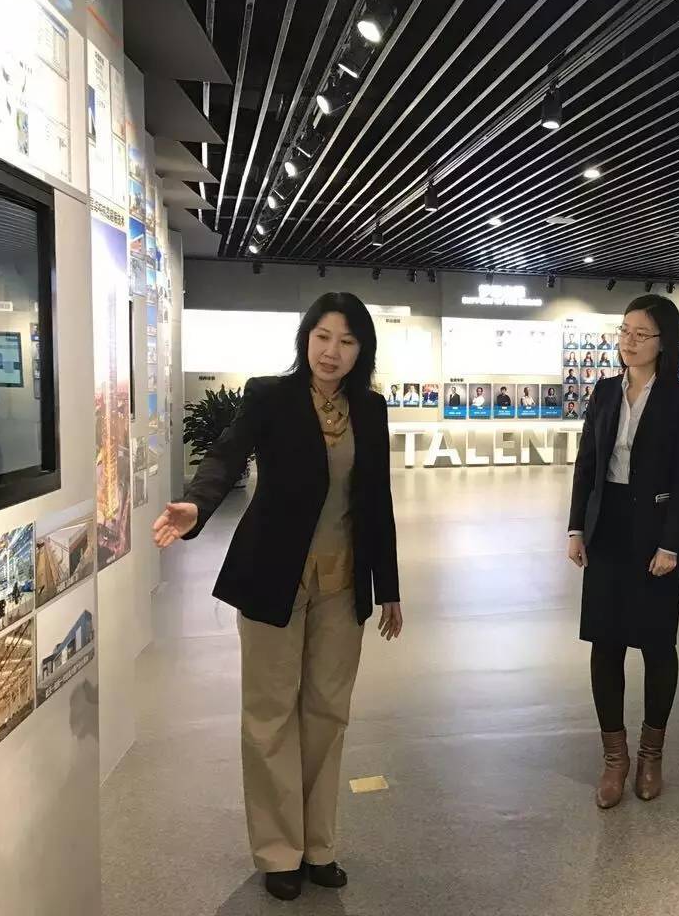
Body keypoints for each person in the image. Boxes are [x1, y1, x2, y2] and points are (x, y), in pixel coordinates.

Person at [151, 292, 403, 902]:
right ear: (305, 339)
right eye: (323, 337)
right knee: (270, 714)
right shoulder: (269, 395)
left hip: (343, 581)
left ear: (362, 350)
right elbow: (226, 454)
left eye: (346, 341)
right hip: (272, 576)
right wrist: (198, 505)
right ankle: (278, 851)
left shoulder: (370, 409)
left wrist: (389, 587)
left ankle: (319, 845)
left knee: (328, 712)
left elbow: (377, 500)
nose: (331, 351)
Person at [567, 295, 679, 810]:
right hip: (607, 527)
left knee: (656, 643)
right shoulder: (604, 392)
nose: (629, 341)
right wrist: (576, 527)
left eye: (641, 334)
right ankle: (614, 758)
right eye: (624, 331)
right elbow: (587, 463)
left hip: (655, 530)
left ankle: (651, 755)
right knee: (604, 642)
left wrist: (671, 542)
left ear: (664, 342)